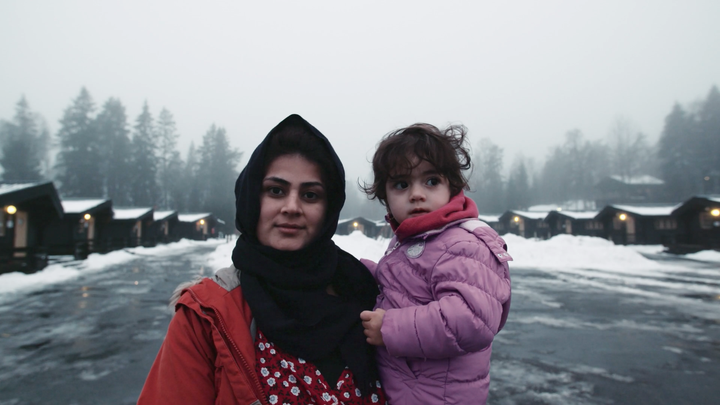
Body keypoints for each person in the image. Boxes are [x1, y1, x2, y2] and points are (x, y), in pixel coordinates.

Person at [139, 114, 387, 405]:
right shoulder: (205, 317)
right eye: (276, 191)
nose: (292, 207)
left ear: (328, 209)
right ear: (251, 198)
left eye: (310, 195)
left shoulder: (367, 291)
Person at [359, 123, 512, 405]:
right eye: (401, 184)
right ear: (385, 197)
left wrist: (390, 328)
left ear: (453, 187)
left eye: (431, 181)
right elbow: (408, 290)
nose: (416, 194)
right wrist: (360, 271)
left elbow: (471, 319)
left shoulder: (462, 244)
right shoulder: (412, 241)